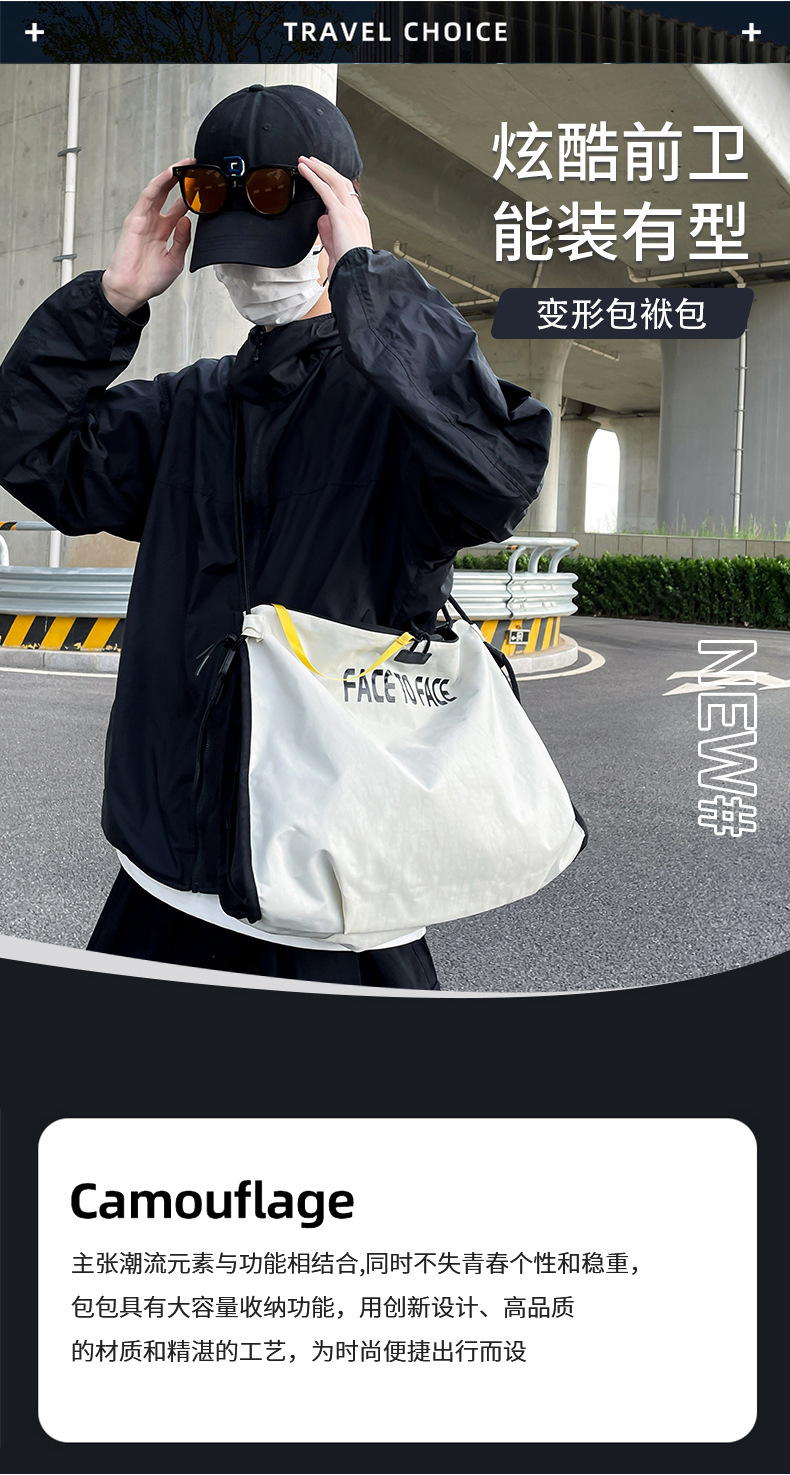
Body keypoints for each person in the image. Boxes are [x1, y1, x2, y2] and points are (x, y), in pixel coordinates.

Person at [0, 83, 552, 990]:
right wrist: (112, 300)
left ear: (333, 226)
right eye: (232, 255)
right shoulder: (188, 408)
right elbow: (32, 449)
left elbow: (498, 476)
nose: (248, 274)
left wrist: (372, 282)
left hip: (340, 901)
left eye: (273, 246)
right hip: (164, 880)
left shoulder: (401, 414)